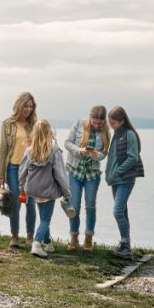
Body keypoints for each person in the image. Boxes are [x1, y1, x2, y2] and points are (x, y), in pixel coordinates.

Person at [19, 120, 72, 258]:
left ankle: (47, 243)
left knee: (43, 217)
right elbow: (61, 174)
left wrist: (21, 188)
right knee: (46, 219)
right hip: (48, 190)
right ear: (49, 133)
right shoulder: (54, 151)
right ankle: (37, 244)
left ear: (34, 134)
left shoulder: (29, 151)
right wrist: (67, 192)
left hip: (34, 190)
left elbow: (22, 171)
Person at [63, 106, 109, 250]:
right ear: (90, 118)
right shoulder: (78, 124)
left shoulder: (106, 131)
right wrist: (79, 151)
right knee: (74, 206)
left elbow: (104, 152)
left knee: (90, 206)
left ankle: (88, 238)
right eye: (94, 122)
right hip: (75, 171)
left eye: (99, 123)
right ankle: (74, 237)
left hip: (92, 174)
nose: (96, 125)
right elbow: (67, 143)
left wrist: (98, 155)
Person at [0, 92, 38, 248]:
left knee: (31, 203)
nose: (28, 109)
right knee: (15, 202)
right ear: (19, 106)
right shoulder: (7, 124)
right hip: (13, 168)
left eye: (31, 106)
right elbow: (3, 150)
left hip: (31, 169)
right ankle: (14, 236)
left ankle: (29, 237)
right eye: (26, 106)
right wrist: (1, 175)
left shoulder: (34, 124)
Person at [105, 106, 144, 259]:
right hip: (115, 180)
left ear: (122, 121)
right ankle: (125, 245)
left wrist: (118, 171)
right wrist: (110, 174)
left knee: (118, 211)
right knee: (123, 211)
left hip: (125, 180)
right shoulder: (116, 134)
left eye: (113, 122)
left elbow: (133, 157)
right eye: (110, 122)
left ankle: (126, 248)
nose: (111, 125)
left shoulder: (130, 135)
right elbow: (113, 158)